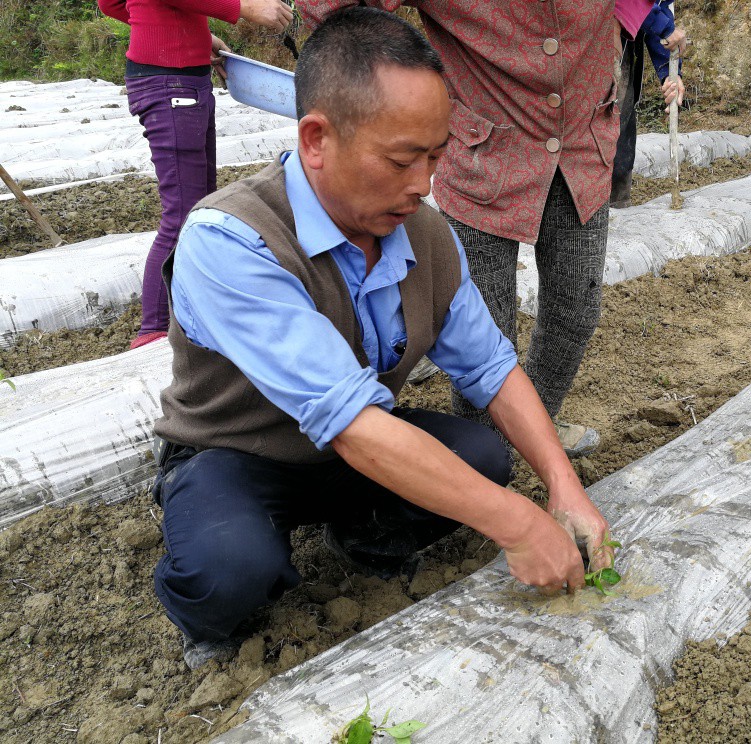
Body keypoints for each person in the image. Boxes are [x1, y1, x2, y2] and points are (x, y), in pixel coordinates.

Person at [150, 7, 614, 669]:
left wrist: (562, 487)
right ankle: (200, 604)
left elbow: (493, 369)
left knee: (483, 455)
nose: (423, 184)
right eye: (401, 160)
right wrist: (517, 523)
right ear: (316, 139)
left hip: (351, 454)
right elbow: (350, 420)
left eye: (435, 156)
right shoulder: (232, 240)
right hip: (237, 456)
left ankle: (362, 539)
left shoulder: (422, 233)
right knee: (230, 568)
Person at [299, 0, 617, 457]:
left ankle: (536, 425)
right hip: (485, 149)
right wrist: (398, 94)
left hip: (585, 145)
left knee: (577, 309)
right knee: (483, 331)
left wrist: (637, 19)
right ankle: (485, 454)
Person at [97, 0, 294, 349]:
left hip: (184, 79)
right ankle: (153, 331)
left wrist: (190, 32)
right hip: (169, 84)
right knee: (183, 214)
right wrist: (245, 7)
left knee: (202, 204)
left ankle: (195, 311)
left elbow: (111, 2)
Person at [612, 0, 688, 208]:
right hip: (591, 28)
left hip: (629, 32)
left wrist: (670, 73)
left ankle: (616, 203)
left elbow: (658, 6)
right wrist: (664, 28)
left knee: (622, 118)